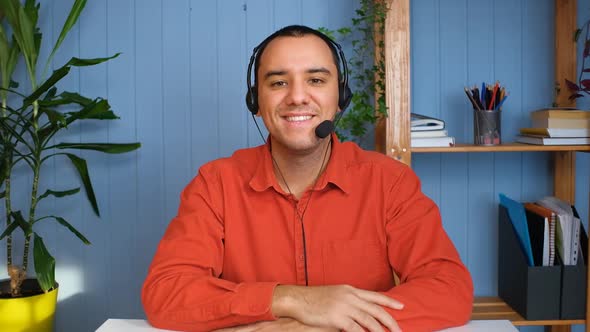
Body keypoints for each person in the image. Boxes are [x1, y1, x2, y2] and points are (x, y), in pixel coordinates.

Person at [142, 25, 473, 332]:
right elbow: (166, 293)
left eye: (316, 80)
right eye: (278, 82)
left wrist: (324, 326)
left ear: (340, 98)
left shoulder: (390, 182)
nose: (297, 97)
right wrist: (292, 300)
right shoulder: (215, 183)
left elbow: (449, 289)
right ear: (255, 102)